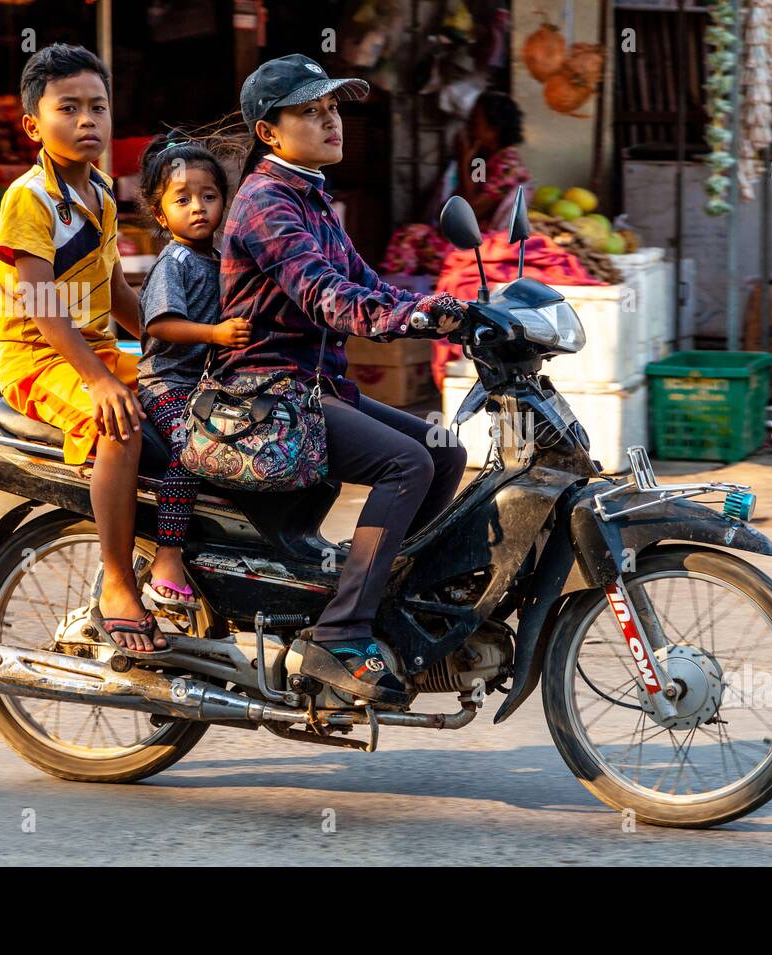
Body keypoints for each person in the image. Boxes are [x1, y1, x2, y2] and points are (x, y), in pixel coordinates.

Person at [219, 54, 468, 705]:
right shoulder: (266, 206)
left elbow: (367, 284)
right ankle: (340, 634)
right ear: (269, 133)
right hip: (269, 397)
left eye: (332, 107)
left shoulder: (314, 198)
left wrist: (448, 309)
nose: (331, 119)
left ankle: (387, 593)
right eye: (311, 110)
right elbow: (328, 297)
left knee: (446, 450)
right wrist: (408, 316)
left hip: (316, 390)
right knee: (407, 464)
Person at [0, 44, 164, 655]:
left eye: (98, 107)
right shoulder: (29, 198)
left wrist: (165, 345)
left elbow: (116, 291)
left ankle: (174, 559)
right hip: (37, 357)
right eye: (70, 108)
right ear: (34, 124)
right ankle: (117, 583)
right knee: (120, 424)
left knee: (197, 399)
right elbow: (40, 303)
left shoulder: (103, 196)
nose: (88, 121)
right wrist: (98, 381)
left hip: (92, 346)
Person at [134, 132, 247, 610]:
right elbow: (162, 324)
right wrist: (215, 334)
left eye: (209, 196)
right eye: (183, 200)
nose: (198, 207)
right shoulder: (174, 261)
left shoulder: (219, 259)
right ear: (161, 215)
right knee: (193, 453)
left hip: (205, 386)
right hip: (166, 383)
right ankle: (168, 554)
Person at [380, 91, 530, 278]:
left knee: (408, 237)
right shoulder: (485, 159)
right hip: (469, 235)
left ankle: (392, 295)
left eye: (475, 122)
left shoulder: (507, 164)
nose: (470, 128)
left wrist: (463, 162)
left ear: (494, 128)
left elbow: (470, 210)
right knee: (412, 233)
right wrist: (470, 161)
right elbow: (470, 193)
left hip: (482, 247)